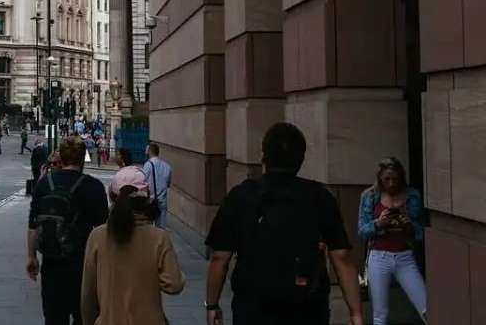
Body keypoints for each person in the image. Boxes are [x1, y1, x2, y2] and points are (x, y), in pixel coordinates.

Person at [204, 122, 364, 325]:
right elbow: (341, 257)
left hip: (253, 307)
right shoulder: (319, 197)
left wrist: (212, 304)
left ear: (263, 156)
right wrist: (355, 313)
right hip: (307, 307)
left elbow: (220, 258)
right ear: (301, 159)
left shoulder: (241, 196)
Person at [81, 166, 184, 324]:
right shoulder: (159, 237)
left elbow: (88, 295)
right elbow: (174, 284)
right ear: (147, 197)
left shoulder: (98, 237)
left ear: (112, 197)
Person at [26, 137, 109, 325]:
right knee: (84, 317)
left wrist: (31, 257)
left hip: (51, 263)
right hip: (83, 266)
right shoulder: (93, 186)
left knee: (54, 318)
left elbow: (33, 224)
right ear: (82, 160)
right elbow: (103, 229)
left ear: (61, 159)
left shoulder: (44, 183)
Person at [358, 157, 426, 325]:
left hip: (405, 257)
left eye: (395, 179)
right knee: (380, 315)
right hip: (378, 257)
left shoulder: (412, 196)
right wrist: (378, 224)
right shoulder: (370, 196)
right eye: (387, 179)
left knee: (426, 307)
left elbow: (421, 231)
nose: (391, 183)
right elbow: (362, 230)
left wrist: (408, 225)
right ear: (380, 178)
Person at [142, 143, 172, 228]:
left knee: (149, 226)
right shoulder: (167, 166)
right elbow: (168, 184)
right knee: (161, 227)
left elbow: (143, 181)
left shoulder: (148, 165)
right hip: (162, 201)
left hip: (151, 201)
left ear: (150, 152)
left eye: (146, 151)